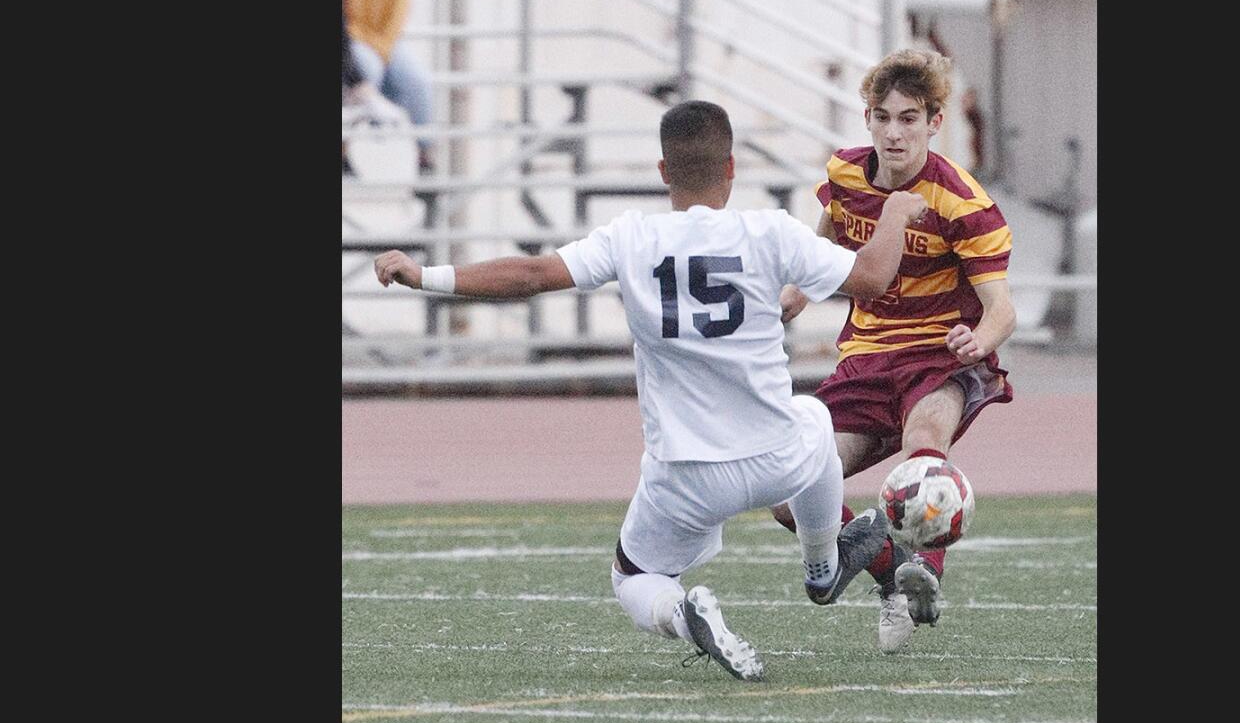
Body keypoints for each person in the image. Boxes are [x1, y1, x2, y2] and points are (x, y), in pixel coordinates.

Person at [374, 101, 930, 680]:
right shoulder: (769, 230)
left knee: (633, 579)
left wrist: (427, 277)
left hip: (685, 475)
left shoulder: (631, 237)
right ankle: (821, 568)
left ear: (663, 171)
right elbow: (870, 277)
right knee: (814, 417)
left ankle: (685, 614)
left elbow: (534, 275)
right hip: (776, 460)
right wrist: (894, 214)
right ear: (732, 167)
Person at [774, 48, 1017, 654]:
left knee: (923, 449)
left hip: (939, 357)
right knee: (784, 490)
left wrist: (978, 339)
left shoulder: (963, 202)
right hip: (864, 360)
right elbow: (825, 240)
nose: (893, 132)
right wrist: (795, 294)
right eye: (882, 117)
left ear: (935, 122)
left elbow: (1002, 310)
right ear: (867, 119)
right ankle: (891, 574)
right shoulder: (846, 176)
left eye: (909, 118)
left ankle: (924, 570)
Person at [344, 0, 435, 170]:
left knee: (417, 82)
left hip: (386, 38)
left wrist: (382, 45)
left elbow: (400, 5)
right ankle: (343, 150)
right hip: (354, 35)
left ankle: (426, 160)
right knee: (368, 69)